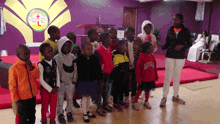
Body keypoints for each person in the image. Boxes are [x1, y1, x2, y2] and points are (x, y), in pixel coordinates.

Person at [157, 13, 192, 107]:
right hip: (170, 56)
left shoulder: (186, 31)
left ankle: (175, 96)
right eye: (173, 19)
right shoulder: (170, 30)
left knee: (177, 78)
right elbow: (167, 44)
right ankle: (164, 98)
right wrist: (161, 46)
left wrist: (182, 46)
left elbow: (190, 43)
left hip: (180, 57)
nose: (174, 21)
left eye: (176, 20)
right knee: (167, 78)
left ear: (181, 20)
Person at [9, 44, 39, 124]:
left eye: (29, 53)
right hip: (22, 99)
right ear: (18, 55)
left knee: (32, 114)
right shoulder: (14, 69)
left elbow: (37, 76)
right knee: (23, 117)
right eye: (25, 54)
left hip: (32, 96)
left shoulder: (31, 64)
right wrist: (16, 100)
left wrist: (32, 68)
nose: (28, 56)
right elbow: (12, 86)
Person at [76, 41, 102, 122]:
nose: (90, 51)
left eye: (91, 49)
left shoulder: (94, 58)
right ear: (82, 50)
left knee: (89, 97)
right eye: (87, 49)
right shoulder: (80, 59)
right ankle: (84, 113)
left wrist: (99, 80)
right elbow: (78, 72)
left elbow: (98, 69)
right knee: (84, 97)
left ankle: (87, 110)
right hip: (83, 82)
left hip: (92, 81)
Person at [54, 36, 77, 123]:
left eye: (68, 46)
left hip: (71, 83)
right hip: (60, 83)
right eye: (65, 45)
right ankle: (60, 114)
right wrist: (57, 82)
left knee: (70, 99)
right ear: (60, 46)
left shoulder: (72, 57)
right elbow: (56, 72)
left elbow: (75, 69)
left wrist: (74, 79)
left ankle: (69, 112)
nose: (67, 48)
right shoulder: (57, 58)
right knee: (59, 100)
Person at [38, 43, 60, 124]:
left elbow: (57, 73)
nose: (52, 53)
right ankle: (43, 120)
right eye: (48, 52)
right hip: (45, 90)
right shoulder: (41, 64)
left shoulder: (55, 62)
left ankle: (52, 119)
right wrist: (50, 89)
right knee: (44, 106)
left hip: (55, 89)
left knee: (53, 105)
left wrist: (57, 86)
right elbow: (41, 80)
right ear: (43, 54)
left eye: (52, 51)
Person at [133, 42, 158, 110]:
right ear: (147, 49)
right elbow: (138, 69)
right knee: (140, 90)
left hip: (150, 77)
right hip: (143, 78)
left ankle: (146, 101)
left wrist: (156, 76)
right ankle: (135, 102)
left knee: (148, 90)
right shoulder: (141, 57)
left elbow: (155, 67)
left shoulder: (152, 57)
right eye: (151, 47)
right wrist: (138, 78)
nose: (153, 48)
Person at [94, 32, 113, 114]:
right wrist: (99, 78)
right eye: (110, 38)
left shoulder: (109, 48)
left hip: (108, 73)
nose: (111, 40)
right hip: (101, 74)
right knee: (99, 91)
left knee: (106, 89)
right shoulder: (98, 50)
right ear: (105, 40)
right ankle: (98, 107)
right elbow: (97, 66)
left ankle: (105, 104)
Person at [124, 26, 142, 105]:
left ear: (133, 33)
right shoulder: (124, 41)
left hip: (136, 64)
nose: (126, 34)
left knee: (134, 81)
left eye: (128, 33)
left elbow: (141, 52)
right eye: (126, 33)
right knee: (126, 80)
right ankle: (127, 96)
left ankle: (134, 96)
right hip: (127, 65)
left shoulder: (138, 40)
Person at [111, 40, 129, 111]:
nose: (126, 47)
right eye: (125, 45)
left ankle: (121, 101)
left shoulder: (124, 54)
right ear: (120, 47)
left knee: (122, 88)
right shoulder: (114, 54)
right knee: (116, 90)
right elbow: (113, 66)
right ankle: (115, 103)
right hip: (117, 76)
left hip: (124, 75)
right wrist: (112, 76)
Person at [67, 31, 81, 108]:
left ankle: (74, 100)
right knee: (69, 87)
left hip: (76, 69)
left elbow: (80, 57)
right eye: (71, 38)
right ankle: (68, 103)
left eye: (74, 38)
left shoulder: (77, 47)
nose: (73, 40)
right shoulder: (65, 48)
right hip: (68, 70)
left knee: (75, 86)